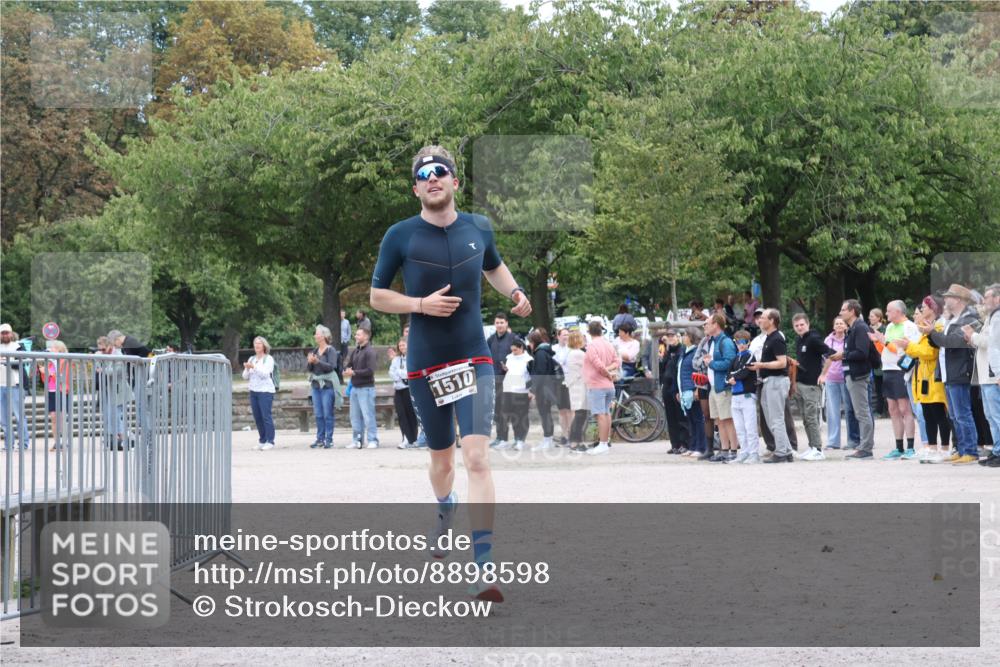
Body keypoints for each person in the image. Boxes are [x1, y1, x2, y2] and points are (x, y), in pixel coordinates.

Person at [369, 145, 532, 603]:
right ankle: (445, 506)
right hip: (426, 362)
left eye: (440, 172)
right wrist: (420, 305)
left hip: (473, 356)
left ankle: (483, 566)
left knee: (477, 457)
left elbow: (494, 267)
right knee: (442, 462)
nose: (433, 178)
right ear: (416, 187)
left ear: (455, 181)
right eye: (424, 175)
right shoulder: (400, 235)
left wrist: (515, 291)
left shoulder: (478, 227)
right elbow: (377, 296)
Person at [922, 284, 981, 464]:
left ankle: (970, 450)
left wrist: (933, 332)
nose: (945, 300)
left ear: (958, 300)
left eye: (948, 297)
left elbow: (952, 342)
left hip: (959, 371)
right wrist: (931, 334)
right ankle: (961, 448)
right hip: (949, 372)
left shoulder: (968, 318)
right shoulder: (951, 319)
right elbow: (941, 342)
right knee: (954, 415)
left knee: (962, 413)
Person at [900, 300, 952, 464]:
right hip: (923, 377)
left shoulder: (937, 328)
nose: (921, 309)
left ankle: (944, 449)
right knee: (928, 414)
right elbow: (921, 352)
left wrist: (909, 346)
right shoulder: (924, 330)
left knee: (938, 414)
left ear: (933, 309)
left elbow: (930, 353)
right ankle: (931, 448)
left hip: (934, 377)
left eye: (924, 307)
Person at [869, 300, 922, 460]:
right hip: (888, 369)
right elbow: (886, 349)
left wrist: (884, 340)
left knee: (905, 409)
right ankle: (899, 446)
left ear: (899, 311)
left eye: (889, 311)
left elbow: (903, 349)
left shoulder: (910, 327)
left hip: (901, 370)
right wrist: (878, 341)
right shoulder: (890, 327)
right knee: (892, 409)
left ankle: (911, 447)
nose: (886, 314)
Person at [749, 308, 799, 455]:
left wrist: (761, 365)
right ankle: (787, 451)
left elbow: (782, 363)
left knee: (776, 419)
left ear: (771, 321)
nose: (760, 320)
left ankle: (781, 452)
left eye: (763, 317)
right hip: (767, 381)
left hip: (776, 381)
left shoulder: (777, 338)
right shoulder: (768, 338)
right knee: (772, 419)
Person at [835, 299, 877, 459]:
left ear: (852, 311)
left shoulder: (860, 328)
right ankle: (863, 446)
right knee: (859, 411)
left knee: (862, 412)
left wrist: (842, 355)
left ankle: (866, 448)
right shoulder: (853, 328)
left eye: (843, 310)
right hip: (852, 374)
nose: (841, 313)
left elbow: (861, 353)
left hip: (858, 375)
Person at [790, 313, 835, 461]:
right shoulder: (799, 340)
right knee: (805, 418)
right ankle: (811, 447)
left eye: (802, 324)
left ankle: (818, 449)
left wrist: (824, 374)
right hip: (801, 383)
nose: (799, 327)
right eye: (796, 326)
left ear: (808, 324)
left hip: (812, 385)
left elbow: (831, 354)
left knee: (811, 418)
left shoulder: (813, 339)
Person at [818, 317, 861, 451]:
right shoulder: (828, 340)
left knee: (849, 410)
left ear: (846, 326)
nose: (839, 325)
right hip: (831, 378)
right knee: (832, 411)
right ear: (833, 326)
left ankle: (852, 440)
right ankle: (833, 442)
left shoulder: (849, 338)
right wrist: (823, 374)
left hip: (846, 377)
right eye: (836, 323)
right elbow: (826, 359)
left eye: (841, 323)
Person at [969, 283, 1000, 467]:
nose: (985, 300)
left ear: (997, 298)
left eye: (988, 297)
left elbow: (992, 343)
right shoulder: (992, 317)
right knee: (990, 415)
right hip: (987, 374)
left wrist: (972, 336)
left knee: (996, 415)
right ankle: (996, 450)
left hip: (993, 373)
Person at [703, 314, 738, 462]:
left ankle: (734, 450)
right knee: (719, 420)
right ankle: (724, 450)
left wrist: (711, 364)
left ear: (715, 324)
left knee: (728, 419)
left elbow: (729, 362)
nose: (704, 326)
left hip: (723, 387)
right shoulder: (713, 341)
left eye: (707, 323)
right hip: (714, 387)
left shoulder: (726, 341)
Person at [583, 319, 620, 456]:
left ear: (589, 332)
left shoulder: (592, 346)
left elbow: (598, 365)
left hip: (597, 384)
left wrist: (606, 373)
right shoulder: (608, 344)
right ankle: (605, 441)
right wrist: (609, 371)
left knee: (601, 414)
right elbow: (617, 361)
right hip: (609, 386)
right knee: (606, 413)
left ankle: (603, 443)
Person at [727, 330, 760, 463]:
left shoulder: (750, 355)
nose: (741, 345)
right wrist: (730, 378)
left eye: (744, 342)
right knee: (739, 427)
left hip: (747, 395)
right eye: (738, 342)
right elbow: (728, 373)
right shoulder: (735, 358)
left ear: (748, 342)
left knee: (750, 426)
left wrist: (732, 376)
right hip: (735, 396)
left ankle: (754, 453)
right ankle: (744, 452)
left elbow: (745, 372)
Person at [307, 325, 341, 450]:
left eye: (317, 333)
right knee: (318, 414)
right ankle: (320, 439)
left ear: (324, 336)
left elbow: (331, 367)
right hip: (316, 386)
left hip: (327, 386)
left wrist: (317, 362)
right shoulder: (315, 350)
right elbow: (310, 370)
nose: (315, 336)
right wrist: (310, 362)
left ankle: (329, 440)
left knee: (328, 414)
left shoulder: (330, 350)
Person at [344, 326, 378, 449]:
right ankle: (357, 440)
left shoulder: (370, 351)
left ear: (366, 336)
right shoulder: (356, 350)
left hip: (366, 388)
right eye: (356, 334)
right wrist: (347, 370)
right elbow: (349, 365)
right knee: (355, 416)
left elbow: (370, 370)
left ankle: (373, 439)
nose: (356, 337)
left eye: (358, 335)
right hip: (354, 388)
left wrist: (354, 373)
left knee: (368, 416)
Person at [677, 327, 708, 458]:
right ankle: (693, 445)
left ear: (691, 337)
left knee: (698, 419)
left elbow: (700, 371)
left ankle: (701, 447)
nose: (683, 337)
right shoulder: (685, 351)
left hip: (693, 389)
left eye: (685, 335)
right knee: (691, 420)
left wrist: (697, 389)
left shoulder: (697, 352)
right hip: (684, 390)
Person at [486, 313, 515, 449]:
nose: (499, 325)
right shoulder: (491, 339)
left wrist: (510, 366)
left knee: (507, 409)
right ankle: (499, 437)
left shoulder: (513, 339)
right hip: (494, 378)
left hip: (509, 379)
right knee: (497, 409)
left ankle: (507, 438)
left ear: (507, 323)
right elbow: (485, 357)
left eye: (502, 322)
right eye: (497, 323)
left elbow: (523, 356)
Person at [659, 329, 690, 454]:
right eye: (669, 336)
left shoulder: (681, 350)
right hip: (667, 387)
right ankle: (675, 444)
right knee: (670, 417)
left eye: (673, 336)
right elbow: (663, 368)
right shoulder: (667, 351)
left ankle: (684, 443)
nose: (670, 338)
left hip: (677, 387)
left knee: (681, 417)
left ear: (678, 337)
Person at [0, 323, 31, 450]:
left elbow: (23, 362)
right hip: (1, 384)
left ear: (11, 333)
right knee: (3, 418)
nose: (5, 335)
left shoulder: (18, 346)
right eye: (2, 333)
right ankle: (8, 444)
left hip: (15, 384)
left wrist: (7, 361)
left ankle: (23, 443)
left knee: (19, 416)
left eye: (7, 332)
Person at [527, 329, 559, 451]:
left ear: (534, 341)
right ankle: (548, 439)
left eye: (530, 342)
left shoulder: (540, 353)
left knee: (544, 414)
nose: (529, 345)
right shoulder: (543, 352)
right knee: (546, 414)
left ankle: (548, 439)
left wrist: (533, 390)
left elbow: (540, 373)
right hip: (548, 387)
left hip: (544, 388)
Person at [242, 336, 276, 450]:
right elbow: (244, 376)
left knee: (266, 416)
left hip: (265, 391)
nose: (257, 345)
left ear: (264, 346)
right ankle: (262, 440)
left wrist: (254, 367)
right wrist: (247, 368)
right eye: (255, 343)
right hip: (254, 391)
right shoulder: (252, 358)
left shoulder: (269, 359)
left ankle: (270, 441)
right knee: (257, 417)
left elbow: (265, 374)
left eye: (259, 343)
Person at [500, 338, 532, 451]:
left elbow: (531, 376)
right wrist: (505, 368)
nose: (513, 352)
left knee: (521, 416)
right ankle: (510, 439)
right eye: (512, 350)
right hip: (508, 389)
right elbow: (509, 371)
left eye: (515, 350)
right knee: (508, 415)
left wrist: (530, 390)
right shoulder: (509, 357)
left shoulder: (529, 359)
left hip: (522, 391)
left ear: (521, 348)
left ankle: (520, 440)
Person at [389, 337, 420, 450]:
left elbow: (409, 374)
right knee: (401, 415)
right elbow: (391, 373)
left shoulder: (413, 358)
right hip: (399, 390)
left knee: (411, 414)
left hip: (409, 389)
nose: (402, 347)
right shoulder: (396, 359)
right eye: (400, 345)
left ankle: (413, 438)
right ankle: (406, 438)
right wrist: (400, 374)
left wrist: (400, 374)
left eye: (404, 345)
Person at [562, 330, 590, 452]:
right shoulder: (579, 354)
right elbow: (589, 367)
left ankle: (575, 441)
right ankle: (575, 442)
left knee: (579, 414)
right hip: (579, 386)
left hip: (575, 385)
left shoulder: (571, 353)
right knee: (580, 415)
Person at [551, 327, 574, 445]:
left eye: (567, 334)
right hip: (558, 382)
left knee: (570, 410)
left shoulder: (572, 348)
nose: (566, 337)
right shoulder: (553, 349)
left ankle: (571, 435)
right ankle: (564, 435)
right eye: (564, 335)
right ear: (558, 336)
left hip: (570, 381)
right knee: (561, 410)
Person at [868, 308, 887, 418]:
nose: (870, 318)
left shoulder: (884, 329)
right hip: (874, 361)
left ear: (878, 318)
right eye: (870, 316)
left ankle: (888, 409)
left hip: (884, 359)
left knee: (887, 385)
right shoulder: (868, 329)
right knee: (878, 386)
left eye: (872, 316)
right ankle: (880, 410)